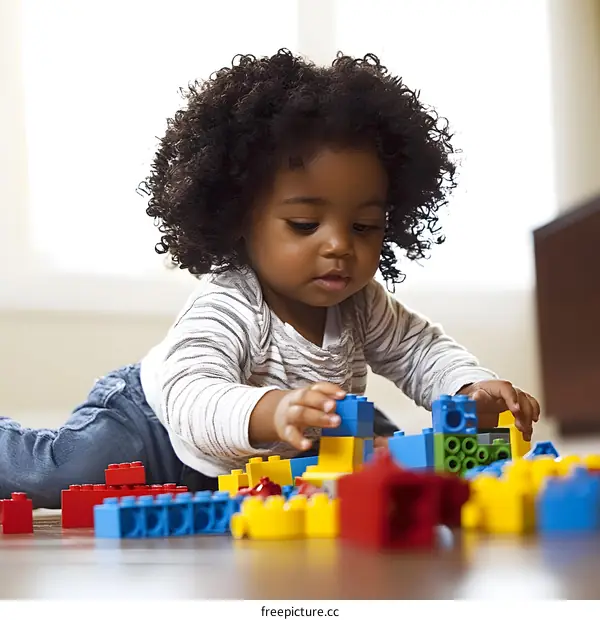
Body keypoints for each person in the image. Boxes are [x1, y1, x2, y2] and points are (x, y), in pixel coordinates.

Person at [0, 50, 540, 508]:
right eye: (305, 224)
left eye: (365, 226)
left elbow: (421, 351)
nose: (339, 245)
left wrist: (469, 387)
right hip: (160, 429)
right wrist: (270, 409)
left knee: (383, 457)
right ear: (239, 218)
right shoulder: (229, 304)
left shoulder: (362, 303)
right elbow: (193, 396)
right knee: (62, 475)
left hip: (284, 445)